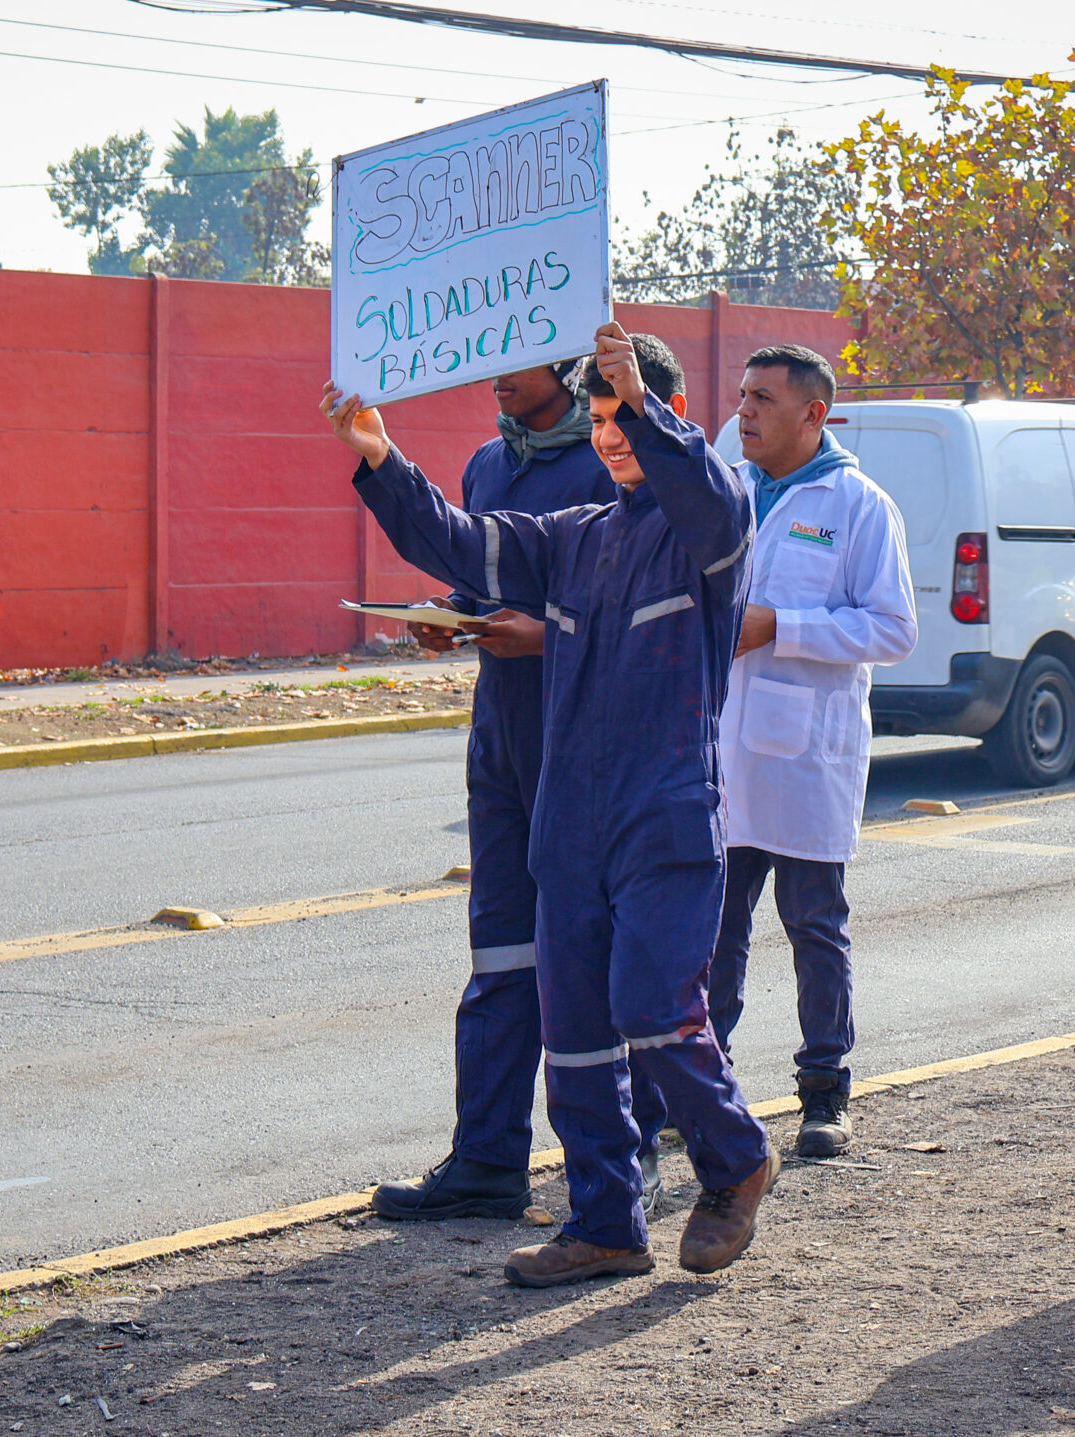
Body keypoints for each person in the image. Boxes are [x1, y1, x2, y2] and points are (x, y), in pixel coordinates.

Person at [325, 323, 777, 1288]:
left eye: (626, 421)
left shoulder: (712, 523)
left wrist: (639, 403)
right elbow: (458, 540)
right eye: (605, 423)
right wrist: (379, 454)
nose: (611, 439)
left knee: (653, 1009)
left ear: (667, 415)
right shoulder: (575, 538)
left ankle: (736, 1159)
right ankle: (605, 1224)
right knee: (572, 1031)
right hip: (567, 821)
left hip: (664, 813)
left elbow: (701, 489)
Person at [368, 362, 640, 1223]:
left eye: (517, 357)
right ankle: (487, 1157)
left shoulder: (619, 463)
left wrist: (547, 638)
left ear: (563, 365)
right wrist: (446, 613)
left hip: (583, 742)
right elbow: (475, 564)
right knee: (499, 952)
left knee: (590, 960)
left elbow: (647, 613)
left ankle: (623, 1170)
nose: (496, 374)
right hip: (502, 743)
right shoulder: (489, 463)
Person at [707, 344, 917, 1158]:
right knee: (713, 932)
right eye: (741, 395)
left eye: (762, 397)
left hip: (806, 757)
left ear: (814, 413)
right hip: (721, 749)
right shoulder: (723, 492)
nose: (744, 412)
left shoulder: (859, 505)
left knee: (813, 926)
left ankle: (825, 1091)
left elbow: (893, 628)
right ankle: (703, 1084)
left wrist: (780, 628)